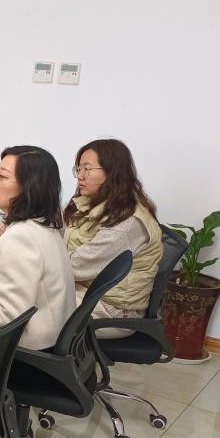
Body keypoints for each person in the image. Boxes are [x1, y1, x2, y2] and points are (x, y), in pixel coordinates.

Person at [63, 139, 163, 337]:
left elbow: (77, 266)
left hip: (113, 310)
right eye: (78, 169)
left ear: (112, 172)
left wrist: (37, 262)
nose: (80, 176)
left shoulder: (128, 222)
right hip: (86, 290)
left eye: (87, 169)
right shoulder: (89, 203)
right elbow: (57, 229)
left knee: (34, 306)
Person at [0, 146, 75, 350]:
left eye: (2, 177)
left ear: (29, 187)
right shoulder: (42, 226)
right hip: (52, 340)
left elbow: (8, 319)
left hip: (27, 353)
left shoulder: (20, 238)